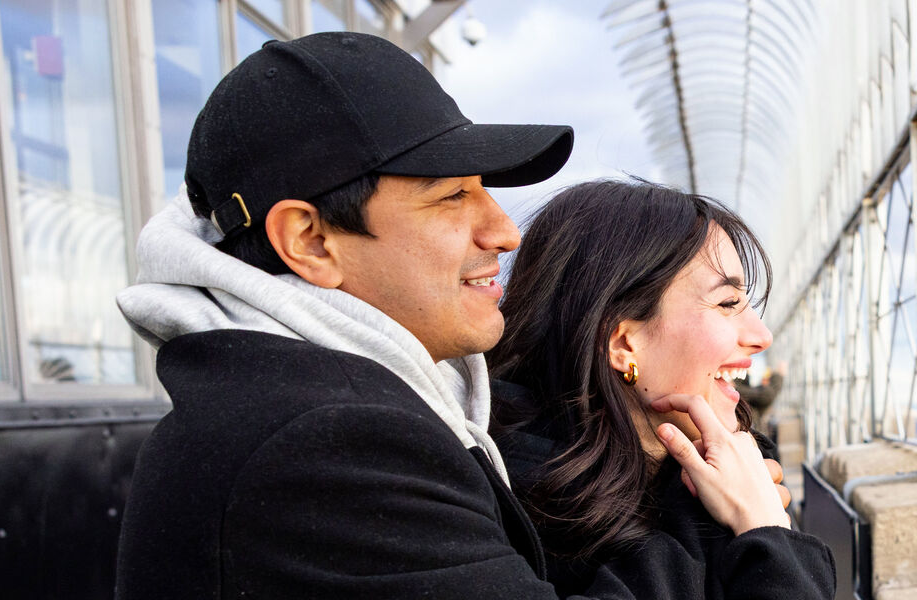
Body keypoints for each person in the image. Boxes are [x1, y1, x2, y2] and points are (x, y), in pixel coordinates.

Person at [112, 32, 796, 599]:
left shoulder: (307, 406)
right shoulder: (326, 441)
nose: (503, 230)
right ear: (310, 241)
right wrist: (755, 539)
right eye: (451, 197)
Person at [487, 179, 834, 599]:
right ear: (623, 344)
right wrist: (759, 530)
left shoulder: (711, 471)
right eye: (727, 304)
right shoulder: (514, 519)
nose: (761, 335)